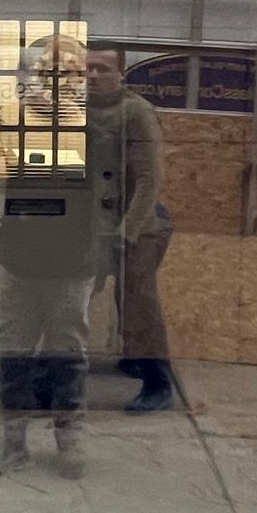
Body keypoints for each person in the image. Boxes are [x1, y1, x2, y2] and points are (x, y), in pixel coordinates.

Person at [0, 29, 97, 478]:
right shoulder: (17, 116)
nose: (54, 82)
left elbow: (99, 183)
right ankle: (13, 443)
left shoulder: (91, 124)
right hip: (20, 258)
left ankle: (70, 441)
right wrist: (14, 103)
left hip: (70, 264)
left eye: (65, 74)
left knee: (68, 354)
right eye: (44, 73)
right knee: (14, 354)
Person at [85, 42, 176, 414]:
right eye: (87, 68)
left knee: (137, 299)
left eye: (103, 69)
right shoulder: (76, 111)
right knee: (72, 299)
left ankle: (158, 382)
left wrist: (126, 234)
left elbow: (149, 181)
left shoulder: (136, 113)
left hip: (140, 224)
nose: (93, 75)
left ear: (121, 74)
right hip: (92, 225)